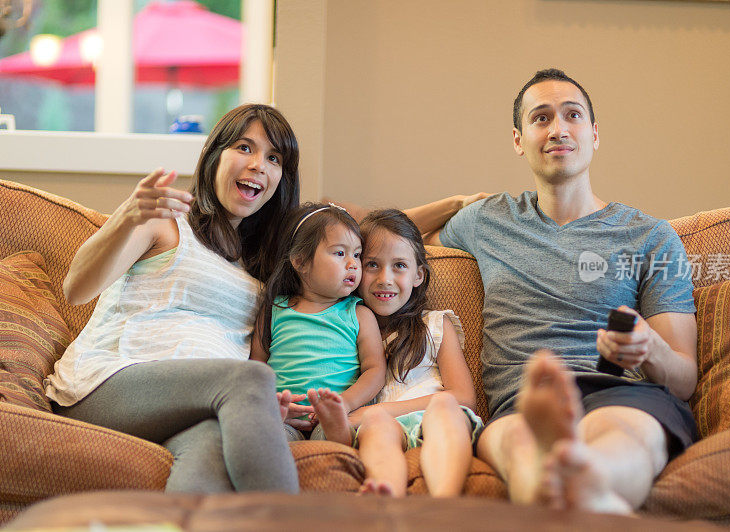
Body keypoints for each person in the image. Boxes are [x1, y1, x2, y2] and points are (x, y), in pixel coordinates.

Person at [425, 68, 699, 513]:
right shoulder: (486, 221)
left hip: (621, 389)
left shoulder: (650, 236)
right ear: (518, 140)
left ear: (594, 134)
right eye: (541, 118)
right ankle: (580, 485)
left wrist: (650, 348)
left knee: (625, 435)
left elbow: (684, 380)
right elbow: (380, 239)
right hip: (523, 400)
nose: (558, 129)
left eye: (572, 115)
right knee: (515, 443)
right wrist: (455, 203)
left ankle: (580, 476)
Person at [44, 103, 302, 493]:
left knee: (211, 446)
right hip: (111, 383)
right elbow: (76, 289)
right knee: (250, 379)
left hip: (197, 401)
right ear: (215, 155)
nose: (258, 165)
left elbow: (355, 231)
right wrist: (127, 217)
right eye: (244, 148)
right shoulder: (165, 219)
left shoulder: (263, 264)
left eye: (274, 157)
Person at [307, 209, 482, 497]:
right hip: (382, 428)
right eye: (372, 264)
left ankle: (446, 499)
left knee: (442, 408)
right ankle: (386, 494)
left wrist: (380, 410)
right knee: (377, 426)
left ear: (418, 275)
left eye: (399, 265)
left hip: (436, 417)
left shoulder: (435, 324)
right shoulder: (351, 332)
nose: (385, 279)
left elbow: (464, 397)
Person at [250, 202, 386, 440]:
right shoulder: (275, 309)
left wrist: (344, 404)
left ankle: (335, 446)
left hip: (335, 417)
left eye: (356, 254)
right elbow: (256, 367)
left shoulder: (359, 314)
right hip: (283, 418)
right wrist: (270, 405)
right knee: (268, 438)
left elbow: (375, 370)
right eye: (340, 253)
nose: (353, 264)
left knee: (332, 435)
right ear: (300, 261)